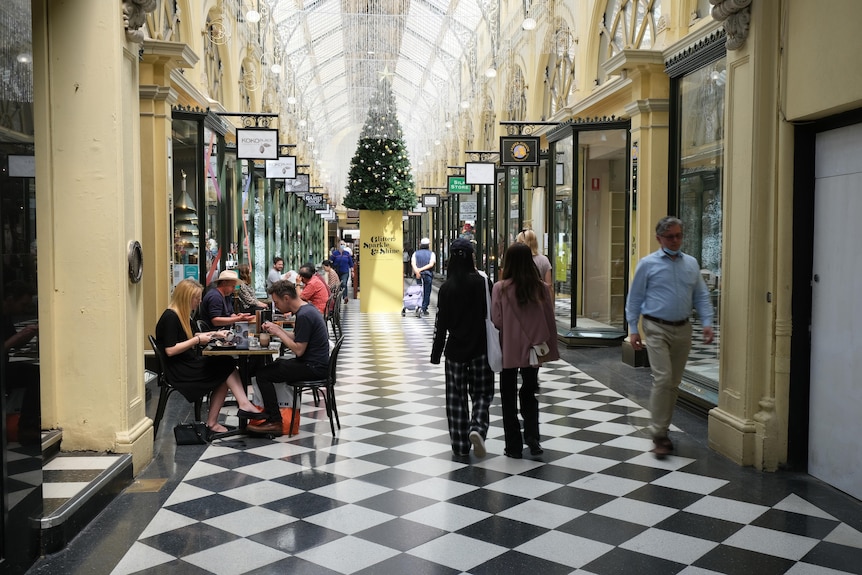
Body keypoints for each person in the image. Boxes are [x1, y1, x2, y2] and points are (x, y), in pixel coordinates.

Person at [625, 216, 714, 459]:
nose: (675, 240)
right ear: (659, 239)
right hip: (656, 327)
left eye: (678, 235)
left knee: (674, 383)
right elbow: (634, 299)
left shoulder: (691, 264)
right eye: (670, 236)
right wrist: (633, 328)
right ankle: (659, 434)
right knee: (663, 379)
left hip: (683, 329)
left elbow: (701, 296)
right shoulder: (647, 264)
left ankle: (662, 428)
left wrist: (707, 322)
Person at [155, 278, 264, 434]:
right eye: (196, 298)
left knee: (225, 365)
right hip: (180, 370)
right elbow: (170, 350)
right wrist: (198, 339)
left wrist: (215, 334)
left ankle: (237, 407)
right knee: (225, 366)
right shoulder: (170, 317)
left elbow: (191, 335)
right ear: (186, 297)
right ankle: (239, 406)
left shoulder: (180, 315)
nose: (199, 302)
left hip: (186, 363)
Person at [492, 242, 559, 458]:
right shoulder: (540, 288)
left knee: (508, 395)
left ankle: (513, 445)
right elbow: (549, 320)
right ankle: (533, 440)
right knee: (529, 393)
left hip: (508, 350)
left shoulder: (500, 288)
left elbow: (497, 320)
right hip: (533, 350)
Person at [430, 238, 494, 458]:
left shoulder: (446, 288)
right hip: (481, 349)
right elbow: (493, 315)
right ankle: (477, 428)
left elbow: (441, 324)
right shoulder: (483, 283)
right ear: (471, 257)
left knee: (455, 398)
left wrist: (436, 354)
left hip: (455, 352)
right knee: (482, 394)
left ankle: (459, 445)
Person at [248, 280, 331, 435]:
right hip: (314, 363)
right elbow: (298, 336)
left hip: (313, 367)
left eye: (276, 302)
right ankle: (272, 416)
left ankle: (275, 422)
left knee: (263, 375)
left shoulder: (304, 315)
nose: (276, 306)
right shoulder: (307, 309)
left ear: (286, 298)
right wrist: (279, 329)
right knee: (276, 365)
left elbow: (299, 350)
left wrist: (279, 333)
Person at [517, 229, 553, 301]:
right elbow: (549, 285)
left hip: (521, 299)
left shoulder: (517, 260)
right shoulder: (544, 260)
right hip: (539, 300)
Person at [411, 237, 436, 316]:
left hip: (418, 274)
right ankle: (424, 308)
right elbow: (431, 264)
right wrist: (421, 269)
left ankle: (418, 305)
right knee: (427, 291)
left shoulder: (415, 253)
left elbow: (413, 263)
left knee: (418, 290)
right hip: (427, 274)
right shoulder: (431, 254)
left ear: (420, 245)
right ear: (428, 245)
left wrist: (417, 271)